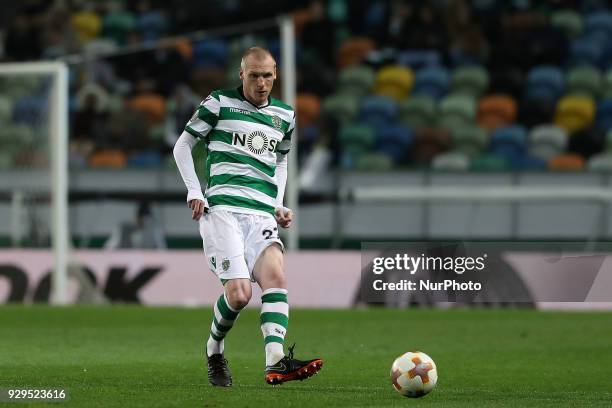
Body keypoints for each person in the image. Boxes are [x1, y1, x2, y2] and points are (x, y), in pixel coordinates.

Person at [173, 46, 323, 387]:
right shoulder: (218, 103)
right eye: (254, 75)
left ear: (275, 76)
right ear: (242, 74)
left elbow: (280, 161)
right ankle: (214, 350)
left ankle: (275, 361)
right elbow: (182, 146)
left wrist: (278, 202)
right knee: (240, 295)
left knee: (276, 278)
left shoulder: (285, 115)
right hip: (223, 210)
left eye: (267, 75)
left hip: (261, 215)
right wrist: (194, 190)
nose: (261, 82)